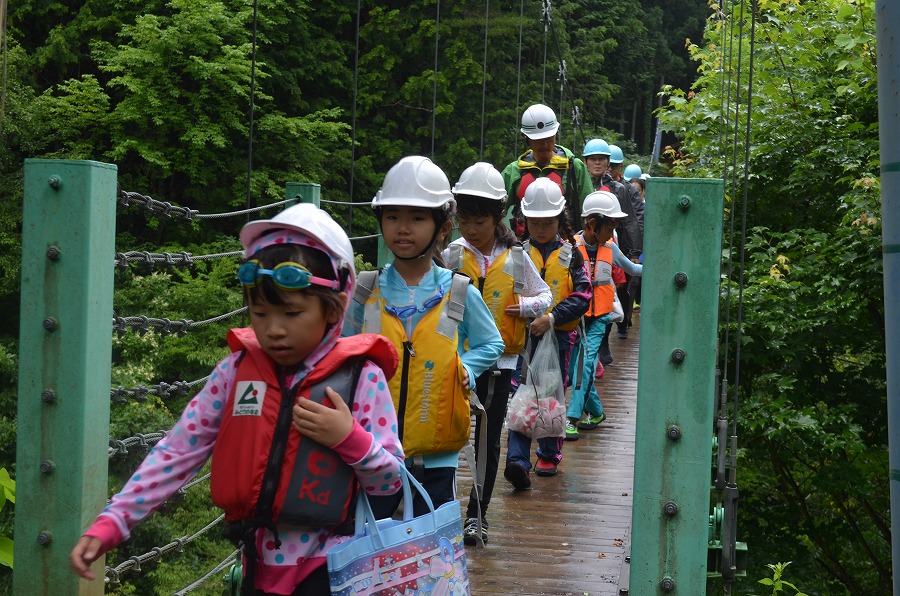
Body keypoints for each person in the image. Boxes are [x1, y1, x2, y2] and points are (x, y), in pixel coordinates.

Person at [71, 203, 405, 595]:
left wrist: (349, 439)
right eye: (260, 314)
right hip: (256, 564)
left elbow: (391, 484)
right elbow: (178, 450)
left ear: (334, 307)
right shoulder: (234, 373)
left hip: (335, 568)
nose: (274, 330)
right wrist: (115, 520)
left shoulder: (361, 379)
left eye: (291, 313)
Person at [345, 156, 504, 522]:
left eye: (417, 218)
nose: (403, 228)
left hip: (436, 457)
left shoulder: (459, 292)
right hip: (371, 454)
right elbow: (340, 350)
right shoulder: (365, 290)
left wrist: (465, 367)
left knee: (434, 563)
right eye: (392, 217)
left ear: (443, 226)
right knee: (373, 556)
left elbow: (491, 342)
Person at [444, 161, 552, 544]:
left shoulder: (517, 257)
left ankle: (477, 515)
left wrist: (524, 309)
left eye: (479, 222)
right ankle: (438, 512)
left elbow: (546, 295)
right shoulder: (453, 255)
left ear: (497, 217)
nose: (471, 230)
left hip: (500, 361)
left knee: (488, 440)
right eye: (464, 221)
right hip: (454, 361)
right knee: (446, 436)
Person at [505, 177, 591, 479]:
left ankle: (548, 453)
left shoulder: (572, 255)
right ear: (525, 220)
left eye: (548, 221)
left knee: (551, 394)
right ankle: (517, 459)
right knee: (519, 394)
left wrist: (552, 317)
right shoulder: (517, 254)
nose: (541, 228)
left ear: (559, 219)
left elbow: (584, 295)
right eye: (535, 221)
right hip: (523, 338)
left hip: (560, 338)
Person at [565, 191, 642, 441]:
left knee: (585, 365)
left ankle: (572, 417)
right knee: (575, 368)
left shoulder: (611, 247)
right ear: (592, 224)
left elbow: (633, 269)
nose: (614, 229)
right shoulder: (569, 248)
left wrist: (663, 266)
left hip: (599, 318)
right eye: (611, 224)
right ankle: (596, 412)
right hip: (576, 317)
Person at [502, 103, 593, 233]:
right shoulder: (514, 171)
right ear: (527, 139)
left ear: (556, 135)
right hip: (523, 248)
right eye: (538, 139)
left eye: (549, 138)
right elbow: (493, 211)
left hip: (566, 246)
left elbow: (589, 211)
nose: (544, 144)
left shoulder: (574, 167)